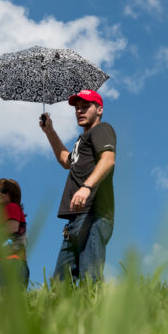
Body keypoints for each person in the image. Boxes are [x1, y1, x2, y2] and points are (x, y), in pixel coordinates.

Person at [40, 89, 116, 282]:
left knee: (90, 279)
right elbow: (66, 161)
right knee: (60, 282)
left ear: (99, 110)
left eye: (85, 107)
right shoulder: (81, 141)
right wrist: (50, 131)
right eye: (77, 108)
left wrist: (87, 187)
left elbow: (108, 160)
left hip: (94, 213)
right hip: (76, 218)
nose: (79, 111)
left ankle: (97, 312)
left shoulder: (102, 129)